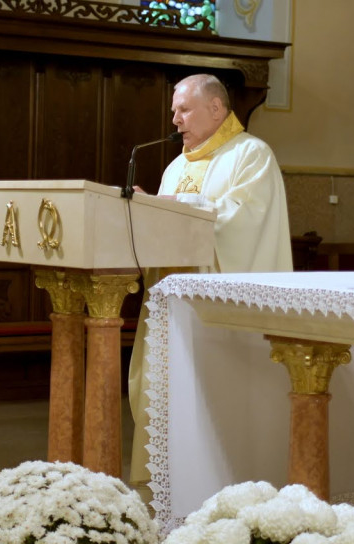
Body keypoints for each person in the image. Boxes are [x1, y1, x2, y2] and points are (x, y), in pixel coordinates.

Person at [127, 73, 293, 490]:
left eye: (183, 110)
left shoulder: (251, 155)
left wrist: (175, 205)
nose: (175, 120)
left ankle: (225, 477)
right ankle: (168, 475)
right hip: (172, 304)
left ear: (216, 109)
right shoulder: (175, 165)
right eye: (173, 111)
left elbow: (245, 221)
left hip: (220, 309)